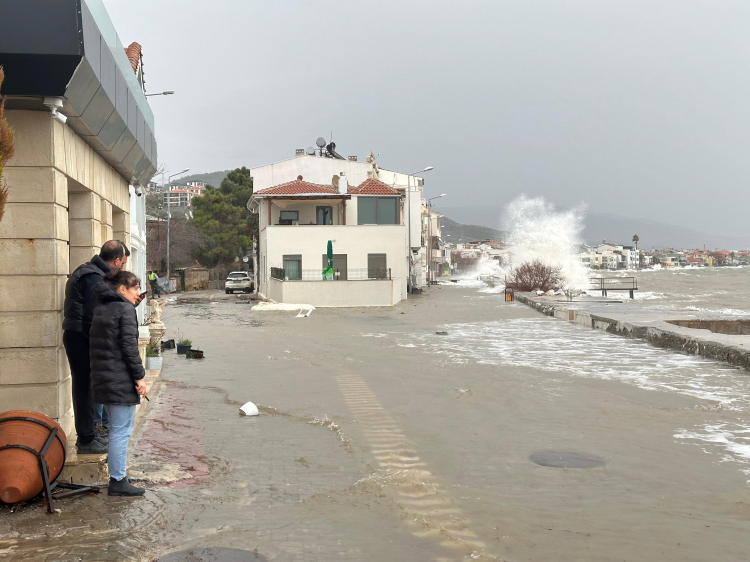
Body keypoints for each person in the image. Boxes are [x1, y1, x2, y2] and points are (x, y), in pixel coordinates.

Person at [62, 240, 133, 454]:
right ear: (116, 260)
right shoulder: (93, 277)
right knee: (85, 389)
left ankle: (92, 432)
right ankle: (86, 440)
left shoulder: (92, 272)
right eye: (122, 263)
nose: (122, 266)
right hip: (81, 338)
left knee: (90, 387)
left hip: (81, 336)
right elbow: (93, 317)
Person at [90, 270, 148, 497]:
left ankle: (118, 476)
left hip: (104, 378)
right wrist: (140, 378)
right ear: (122, 289)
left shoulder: (101, 307)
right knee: (120, 432)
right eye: (135, 289)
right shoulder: (125, 309)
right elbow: (130, 348)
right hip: (119, 379)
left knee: (116, 430)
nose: (138, 294)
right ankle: (118, 480)